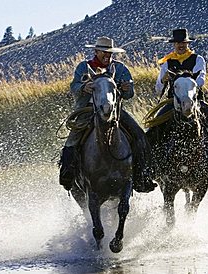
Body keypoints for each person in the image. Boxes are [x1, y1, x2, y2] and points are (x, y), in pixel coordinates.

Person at [59, 36, 157, 192]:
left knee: (139, 136)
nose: (107, 56)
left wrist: (127, 89)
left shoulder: (120, 68)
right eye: (104, 52)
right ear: (96, 51)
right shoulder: (83, 67)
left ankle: (142, 176)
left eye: (109, 53)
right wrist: (83, 88)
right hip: (88, 110)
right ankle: (67, 175)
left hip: (114, 111)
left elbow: (130, 92)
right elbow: (74, 86)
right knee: (72, 141)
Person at [151, 28, 208, 181]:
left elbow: (201, 80)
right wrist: (163, 80)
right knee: (152, 131)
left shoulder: (198, 59)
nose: (181, 45)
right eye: (178, 43)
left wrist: (186, 86)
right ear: (174, 44)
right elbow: (158, 89)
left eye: (184, 43)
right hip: (172, 102)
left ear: (187, 43)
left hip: (196, 101)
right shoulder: (167, 62)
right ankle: (150, 167)